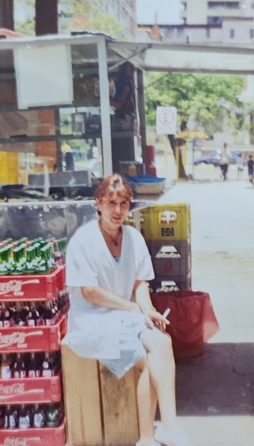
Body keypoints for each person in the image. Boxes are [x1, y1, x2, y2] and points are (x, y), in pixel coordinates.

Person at [64, 175, 192, 446]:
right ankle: (148, 437)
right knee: (149, 360)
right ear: (97, 204)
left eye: (124, 203)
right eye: (111, 203)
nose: (118, 210)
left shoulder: (133, 237)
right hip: (93, 320)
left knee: (161, 340)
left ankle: (166, 427)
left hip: (124, 316)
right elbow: (89, 292)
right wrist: (133, 307)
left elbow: (139, 282)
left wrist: (146, 310)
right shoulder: (83, 240)